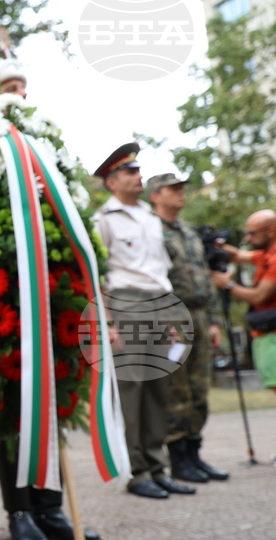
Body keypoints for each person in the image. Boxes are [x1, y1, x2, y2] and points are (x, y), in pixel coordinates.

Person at [0, 59, 102, 540]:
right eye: (8, 87)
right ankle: (18, 509)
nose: (18, 93)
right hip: (2, 290)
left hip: (53, 283)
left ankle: (50, 507)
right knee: (10, 402)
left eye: (23, 86)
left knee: (54, 396)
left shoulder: (47, 145)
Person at [93, 144, 195, 500]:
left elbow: (159, 272)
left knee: (158, 388)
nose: (138, 176)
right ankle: (138, 473)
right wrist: (107, 320)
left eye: (138, 171)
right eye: (130, 172)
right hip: (127, 305)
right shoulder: (104, 220)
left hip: (160, 304)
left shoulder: (152, 220)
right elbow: (98, 275)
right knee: (133, 388)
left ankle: (157, 467)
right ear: (111, 182)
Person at [149, 173, 229, 483]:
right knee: (176, 390)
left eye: (182, 188)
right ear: (156, 195)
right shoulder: (151, 231)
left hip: (199, 315)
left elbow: (205, 280)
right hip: (172, 319)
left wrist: (214, 322)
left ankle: (195, 454)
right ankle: (178, 457)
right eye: (174, 189)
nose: (181, 193)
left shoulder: (189, 232)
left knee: (199, 389)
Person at [211, 210, 276, 393]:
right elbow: (239, 255)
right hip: (266, 333)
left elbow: (259, 296)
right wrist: (217, 245)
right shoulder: (266, 254)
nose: (248, 238)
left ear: (270, 231)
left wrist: (228, 284)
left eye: (252, 233)